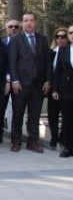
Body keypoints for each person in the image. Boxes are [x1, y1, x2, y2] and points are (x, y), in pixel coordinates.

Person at [8, 12, 51, 153]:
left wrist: (48, 80)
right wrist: (14, 80)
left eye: (31, 20)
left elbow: (48, 62)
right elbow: (12, 61)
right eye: (26, 20)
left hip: (38, 84)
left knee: (35, 115)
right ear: (22, 23)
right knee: (18, 114)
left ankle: (33, 142)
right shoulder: (16, 39)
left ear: (35, 22)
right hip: (20, 84)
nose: (29, 23)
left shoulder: (43, 40)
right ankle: (16, 141)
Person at [52, 33, 73, 158]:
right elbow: (58, 71)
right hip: (66, 89)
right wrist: (55, 89)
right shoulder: (63, 50)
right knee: (67, 119)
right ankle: (68, 147)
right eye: (71, 33)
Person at [48, 28, 69, 149]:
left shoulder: (69, 52)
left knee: (66, 115)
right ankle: (54, 137)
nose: (60, 39)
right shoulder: (52, 52)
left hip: (66, 89)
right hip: (52, 88)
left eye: (63, 36)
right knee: (52, 114)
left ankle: (63, 137)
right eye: (57, 37)